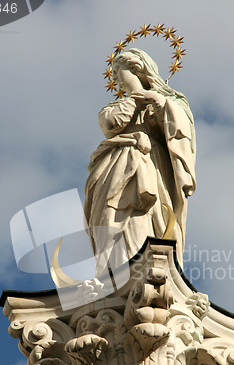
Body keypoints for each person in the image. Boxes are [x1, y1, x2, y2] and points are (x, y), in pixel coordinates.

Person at [84, 48, 196, 274]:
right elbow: (111, 122)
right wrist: (136, 99)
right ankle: (112, 268)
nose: (115, 79)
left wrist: (160, 103)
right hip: (114, 166)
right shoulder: (115, 107)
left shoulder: (167, 101)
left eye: (118, 72)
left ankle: (146, 261)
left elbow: (183, 130)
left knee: (145, 213)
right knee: (109, 215)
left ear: (137, 69)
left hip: (151, 165)